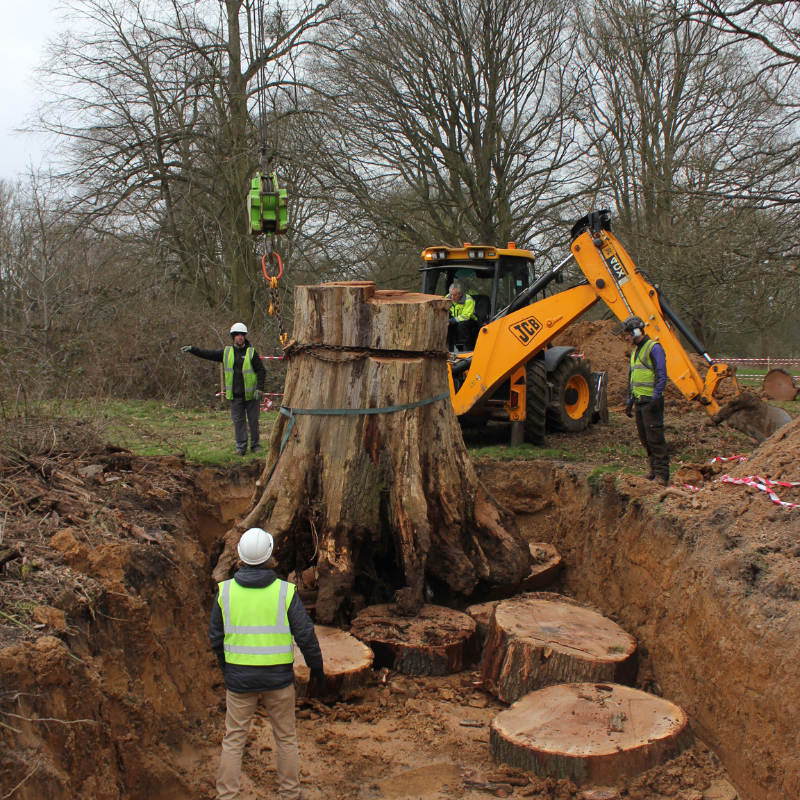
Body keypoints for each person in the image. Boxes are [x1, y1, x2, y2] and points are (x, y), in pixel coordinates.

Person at [209, 527, 325, 800]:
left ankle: (227, 795)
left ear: (239, 556)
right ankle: (290, 793)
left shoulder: (225, 592)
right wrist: (316, 667)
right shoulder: (284, 592)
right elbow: (305, 634)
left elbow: (216, 637)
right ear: (270, 556)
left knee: (234, 739)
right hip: (278, 680)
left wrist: (225, 666)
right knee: (285, 738)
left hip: (239, 681)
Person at [181, 323, 267, 455]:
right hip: (236, 395)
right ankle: (241, 447)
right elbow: (208, 354)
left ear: (245, 337)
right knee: (238, 422)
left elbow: (261, 370)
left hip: (251, 395)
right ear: (233, 337)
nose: (240, 337)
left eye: (242, 335)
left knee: (253, 421)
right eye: (237, 335)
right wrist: (193, 349)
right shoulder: (227, 352)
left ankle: (255, 446)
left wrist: (260, 389)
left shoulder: (251, 352)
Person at [620, 315, 670, 486]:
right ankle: (653, 471)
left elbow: (661, 376)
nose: (626, 337)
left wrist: (655, 397)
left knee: (655, 438)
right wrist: (629, 401)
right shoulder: (635, 352)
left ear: (635, 331)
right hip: (639, 402)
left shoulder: (654, 348)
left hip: (651, 401)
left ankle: (662, 475)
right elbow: (632, 378)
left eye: (627, 334)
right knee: (645, 439)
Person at [446, 282, 479, 351]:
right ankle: (448, 349)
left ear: (460, 294)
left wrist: (450, 321)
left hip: (470, 322)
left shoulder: (468, 300)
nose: (452, 297)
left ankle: (466, 349)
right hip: (455, 320)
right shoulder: (447, 298)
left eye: (454, 295)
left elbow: (465, 317)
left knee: (461, 325)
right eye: (451, 294)